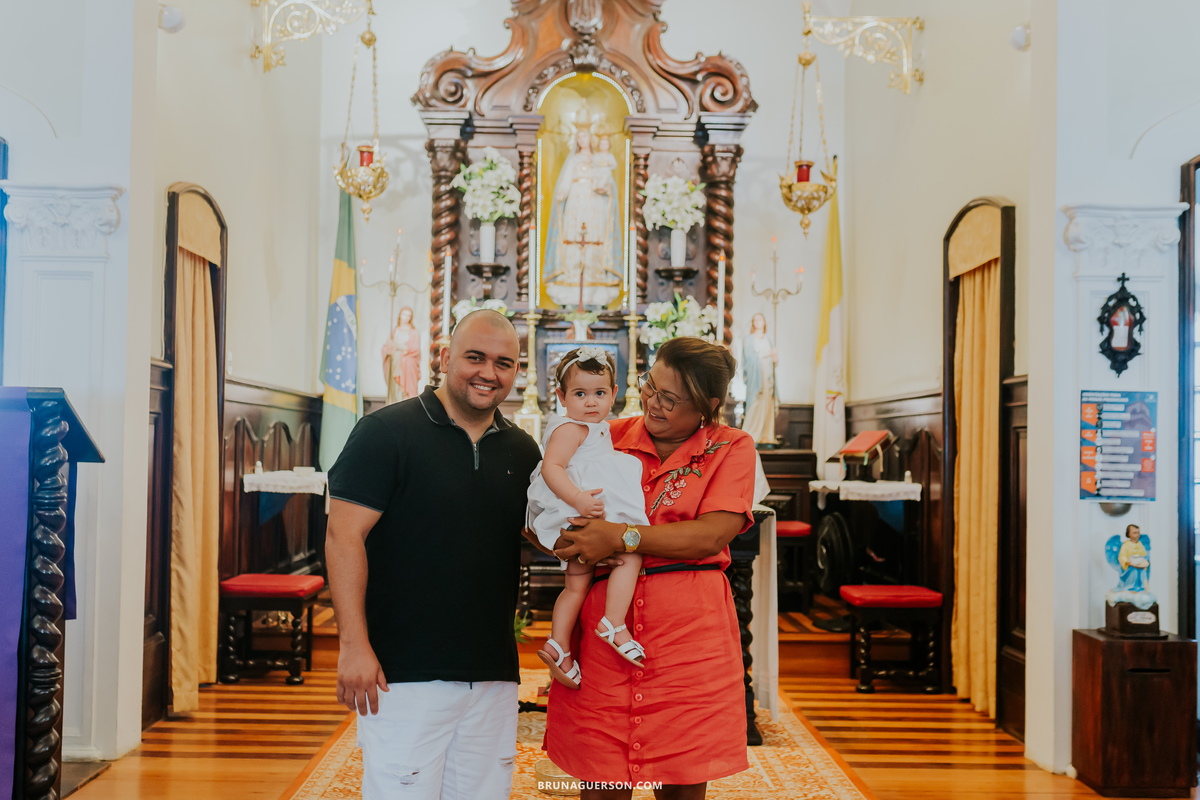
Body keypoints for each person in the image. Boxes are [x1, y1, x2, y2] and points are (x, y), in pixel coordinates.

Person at [325, 309, 542, 800]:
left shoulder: (523, 450)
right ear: (444, 357)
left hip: (492, 672)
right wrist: (354, 646)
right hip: (402, 672)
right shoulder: (385, 433)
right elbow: (343, 538)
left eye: (504, 362)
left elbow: (543, 537)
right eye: (475, 357)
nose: (489, 372)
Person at [535, 336, 756, 800]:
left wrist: (620, 537)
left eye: (671, 399)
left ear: (708, 405)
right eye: (649, 387)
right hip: (602, 641)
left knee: (680, 781)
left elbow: (710, 535)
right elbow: (544, 502)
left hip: (687, 640)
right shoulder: (601, 434)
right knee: (601, 779)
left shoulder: (731, 447)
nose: (653, 404)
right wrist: (561, 537)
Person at [528, 346, 651, 689]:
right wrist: (578, 499)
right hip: (579, 511)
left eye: (599, 393)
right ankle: (613, 622)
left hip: (584, 513)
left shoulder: (594, 428)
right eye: (580, 394)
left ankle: (560, 646)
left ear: (613, 394)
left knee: (575, 585)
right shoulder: (571, 429)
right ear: (561, 397)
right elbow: (552, 468)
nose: (591, 402)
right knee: (631, 552)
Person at [542, 128, 624, 308]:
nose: (582, 139)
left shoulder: (598, 159)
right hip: (575, 203)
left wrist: (606, 188)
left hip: (595, 203)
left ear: (591, 139)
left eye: (585, 136)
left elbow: (606, 177)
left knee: (594, 239)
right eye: (579, 136)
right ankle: (569, 279)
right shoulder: (573, 159)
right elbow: (566, 180)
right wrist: (562, 192)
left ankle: (596, 280)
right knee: (573, 239)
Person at [741, 312, 778, 445]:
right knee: (755, 405)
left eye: (760, 319)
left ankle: (765, 435)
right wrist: (767, 354)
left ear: (764, 323)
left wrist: (774, 358)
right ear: (753, 323)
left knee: (767, 404)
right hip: (755, 379)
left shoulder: (768, 340)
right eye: (755, 320)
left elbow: (773, 361)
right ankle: (751, 435)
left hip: (767, 377)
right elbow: (749, 358)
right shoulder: (748, 340)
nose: (757, 322)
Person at [382, 305, 420, 404]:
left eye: (408, 315)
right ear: (400, 316)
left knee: (407, 389)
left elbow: (415, 349)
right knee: (395, 387)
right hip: (395, 363)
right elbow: (387, 346)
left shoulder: (414, 333)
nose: (406, 317)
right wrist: (388, 350)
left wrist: (399, 346)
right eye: (404, 315)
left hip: (407, 365)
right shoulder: (395, 331)